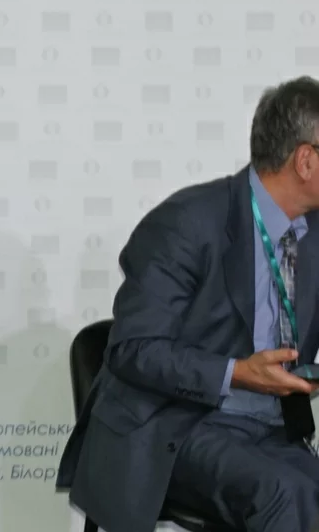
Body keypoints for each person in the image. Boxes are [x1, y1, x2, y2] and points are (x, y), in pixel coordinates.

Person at [57, 76, 319, 532]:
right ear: (305, 160)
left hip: (272, 429)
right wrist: (238, 373)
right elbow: (133, 349)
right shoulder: (187, 223)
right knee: (285, 492)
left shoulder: (313, 234)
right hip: (176, 427)